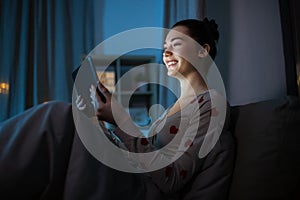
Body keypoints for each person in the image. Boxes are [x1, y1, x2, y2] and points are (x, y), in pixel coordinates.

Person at [76, 18, 235, 199]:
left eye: (176, 44)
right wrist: (100, 122)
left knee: (56, 117)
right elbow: (140, 158)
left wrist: (122, 120)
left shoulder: (211, 104)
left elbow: (172, 179)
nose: (166, 52)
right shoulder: (170, 110)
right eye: (165, 46)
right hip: (129, 180)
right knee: (73, 125)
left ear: (202, 51)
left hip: (139, 191)